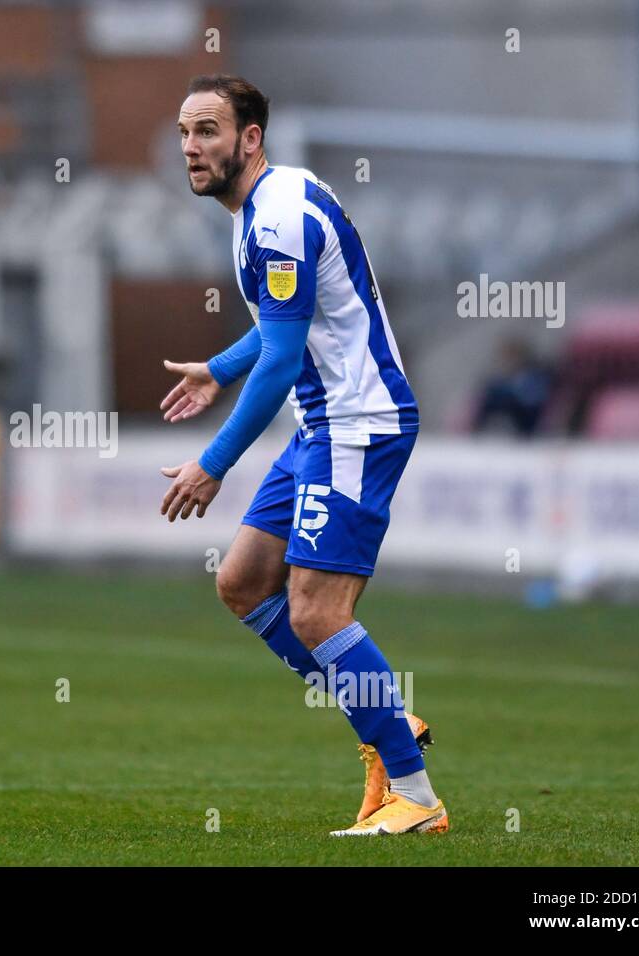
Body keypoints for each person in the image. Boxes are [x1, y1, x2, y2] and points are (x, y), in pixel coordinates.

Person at [159, 74, 447, 836]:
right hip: (322, 427)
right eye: (186, 131)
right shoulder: (264, 206)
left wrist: (213, 462)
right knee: (245, 582)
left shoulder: (277, 216)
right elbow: (286, 320)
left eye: (209, 131)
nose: (192, 146)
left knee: (316, 610)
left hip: (357, 423)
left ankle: (416, 797)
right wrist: (218, 369)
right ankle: (387, 717)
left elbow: (284, 360)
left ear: (250, 139)